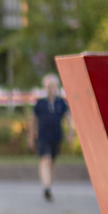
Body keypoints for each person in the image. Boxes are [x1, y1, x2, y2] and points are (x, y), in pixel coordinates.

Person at [31, 72, 71, 202]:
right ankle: (46, 186)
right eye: (49, 86)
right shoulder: (40, 103)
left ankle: (49, 185)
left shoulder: (61, 103)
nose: (51, 88)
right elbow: (33, 120)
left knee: (52, 161)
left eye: (53, 86)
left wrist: (70, 133)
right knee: (45, 159)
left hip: (56, 135)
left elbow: (68, 117)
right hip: (43, 135)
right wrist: (31, 136)